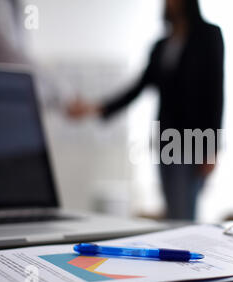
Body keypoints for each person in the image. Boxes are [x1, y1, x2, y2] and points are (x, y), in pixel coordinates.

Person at [68, 0, 224, 221]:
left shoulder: (209, 36)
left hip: (195, 139)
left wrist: (212, 148)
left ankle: (188, 253)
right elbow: (137, 87)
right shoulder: (161, 45)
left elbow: (215, 92)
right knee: (173, 212)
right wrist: (97, 107)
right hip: (166, 139)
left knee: (184, 214)